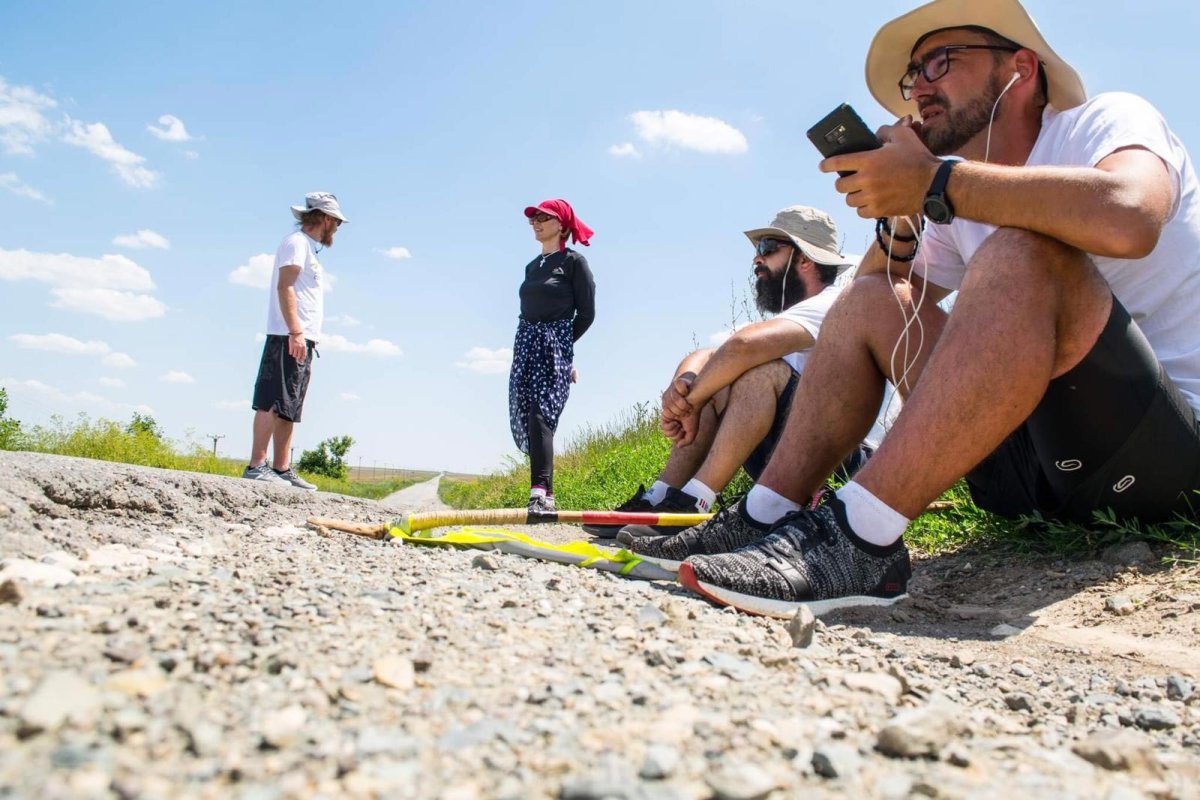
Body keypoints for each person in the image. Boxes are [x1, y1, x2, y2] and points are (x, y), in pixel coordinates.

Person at [657, 0, 1200, 617]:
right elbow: (857, 305)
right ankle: (767, 513)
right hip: (1023, 471)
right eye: (913, 74)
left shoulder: (1101, 121)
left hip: (1156, 457)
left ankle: (862, 537)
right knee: (871, 298)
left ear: (1020, 69)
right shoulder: (958, 192)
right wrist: (904, 214)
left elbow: (1131, 215)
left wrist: (936, 183)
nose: (918, 87)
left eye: (941, 61)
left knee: (1022, 249)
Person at [587, 206, 870, 541]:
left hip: (847, 465)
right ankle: (661, 498)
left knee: (759, 373)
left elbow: (742, 348)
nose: (756, 259)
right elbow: (712, 356)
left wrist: (690, 403)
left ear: (805, 259)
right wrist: (685, 385)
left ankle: (695, 503)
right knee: (718, 378)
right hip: (795, 451)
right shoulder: (795, 316)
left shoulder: (835, 303)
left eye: (767, 248)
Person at [243, 192, 348, 491]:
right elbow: (285, 285)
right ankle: (256, 465)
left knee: (289, 404)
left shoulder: (307, 248)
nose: (337, 229)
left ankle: (281, 467)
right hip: (287, 335)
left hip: (302, 338)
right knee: (271, 399)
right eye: (337, 223)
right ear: (325, 219)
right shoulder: (296, 243)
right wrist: (295, 331)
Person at [509, 199, 596, 514]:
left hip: (554, 348)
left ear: (561, 224)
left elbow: (586, 314)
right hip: (525, 346)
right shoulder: (532, 267)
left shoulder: (574, 263)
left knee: (541, 413)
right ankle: (548, 496)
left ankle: (539, 492)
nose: (536, 223)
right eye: (532, 219)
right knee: (530, 415)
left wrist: (564, 351)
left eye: (543, 218)